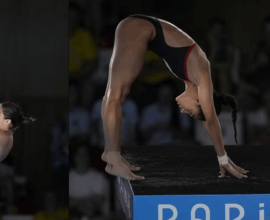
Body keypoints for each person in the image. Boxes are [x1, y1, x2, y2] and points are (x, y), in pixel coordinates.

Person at [101, 14, 249, 180]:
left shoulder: (190, 78)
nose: (185, 112)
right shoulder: (201, 74)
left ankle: (111, 153)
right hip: (139, 28)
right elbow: (211, 120)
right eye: (192, 112)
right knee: (116, 94)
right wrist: (223, 158)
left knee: (116, 93)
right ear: (199, 101)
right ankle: (112, 157)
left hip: (140, 29)